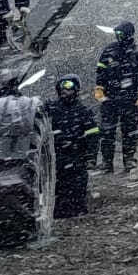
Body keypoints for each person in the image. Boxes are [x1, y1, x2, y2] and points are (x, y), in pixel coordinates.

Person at [94, 21, 138, 174]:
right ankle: (107, 163)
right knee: (107, 131)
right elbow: (100, 70)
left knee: (130, 130)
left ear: (128, 34)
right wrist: (99, 88)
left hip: (130, 98)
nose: (118, 37)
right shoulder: (109, 50)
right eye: (116, 34)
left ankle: (129, 161)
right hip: (110, 97)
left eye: (120, 34)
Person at [44, 74, 100, 218]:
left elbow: (92, 137)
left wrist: (91, 158)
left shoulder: (83, 111)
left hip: (77, 156)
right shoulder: (51, 108)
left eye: (68, 86)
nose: (64, 90)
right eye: (62, 86)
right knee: (57, 185)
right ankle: (57, 212)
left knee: (77, 185)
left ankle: (77, 211)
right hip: (56, 155)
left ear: (76, 89)